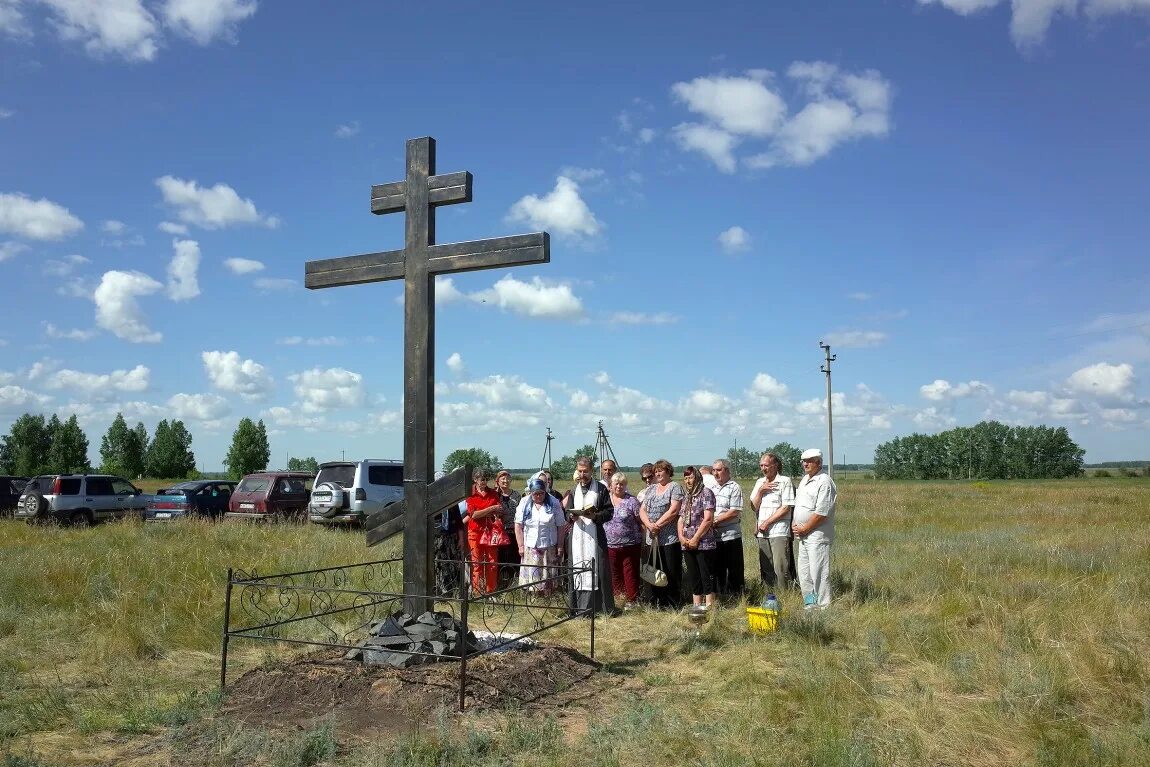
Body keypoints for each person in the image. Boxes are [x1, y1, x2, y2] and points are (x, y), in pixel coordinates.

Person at [563, 456, 615, 616]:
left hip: (595, 536)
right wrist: (571, 516)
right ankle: (577, 607)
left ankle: (599, 608)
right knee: (577, 568)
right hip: (577, 536)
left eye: (585, 471)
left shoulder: (600, 489)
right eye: (580, 471)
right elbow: (567, 512)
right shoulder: (573, 490)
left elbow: (609, 512)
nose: (582, 474)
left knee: (597, 568)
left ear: (592, 471)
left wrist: (595, 516)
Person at [792, 448, 837, 609]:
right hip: (803, 536)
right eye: (803, 461)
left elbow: (822, 513)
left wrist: (805, 528)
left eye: (809, 461)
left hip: (817, 535)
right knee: (804, 573)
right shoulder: (804, 480)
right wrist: (795, 524)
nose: (805, 464)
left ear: (818, 462)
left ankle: (824, 607)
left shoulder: (824, 481)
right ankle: (810, 605)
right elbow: (799, 506)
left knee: (819, 572)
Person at [638, 458, 684, 609]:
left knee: (670, 570)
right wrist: (649, 525)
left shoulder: (675, 487)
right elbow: (642, 510)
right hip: (652, 538)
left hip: (669, 538)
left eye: (660, 470)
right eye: (655, 471)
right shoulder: (651, 489)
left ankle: (672, 603)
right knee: (652, 569)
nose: (657, 473)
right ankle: (654, 601)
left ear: (668, 471)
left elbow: (674, 510)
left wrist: (658, 525)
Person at [750, 452, 796, 593]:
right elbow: (754, 506)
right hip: (762, 533)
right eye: (761, 465)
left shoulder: (784, 481)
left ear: (775, 466)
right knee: (766, 566)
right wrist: (760, 491)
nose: (763, 468)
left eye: (766, 465)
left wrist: (767, 522)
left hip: (779, 530)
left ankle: (785, 596)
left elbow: (786, 507)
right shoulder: (759, 482)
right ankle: (770, 596)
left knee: (780, 567)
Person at [515, 477, 564, 594]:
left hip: (549, 546)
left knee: (548, 576)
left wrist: (560, 546)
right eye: (535, 494)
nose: (538, 496)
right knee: (533, 575)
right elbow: (518, 525)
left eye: (541, 494)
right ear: (531, 493)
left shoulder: (554, 502)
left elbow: (561, 525)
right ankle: (533, 596)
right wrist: (520, 546)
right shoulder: (524, 502)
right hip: (531, 546)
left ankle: (548, 597)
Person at [678, 466, 717, 610]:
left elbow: (708, 519)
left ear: (698, 478)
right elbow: (681, 519)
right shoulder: (687, 496)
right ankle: (696, 606)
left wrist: (695, 538)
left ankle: (709, 607)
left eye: (691, 477)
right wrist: (681, 537)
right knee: (694, 576)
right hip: (687, 543)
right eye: (686, 478)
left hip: (703, 542)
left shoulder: (706, 493)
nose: (688, 481)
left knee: (706, 575)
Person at [709, 458, 746, 599]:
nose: (715, 473)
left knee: (734, 568)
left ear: (727, 470)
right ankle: (721, 595)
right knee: (718, 568)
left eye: (719, 470)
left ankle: (736, 596)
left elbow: (734, 511)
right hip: (715, 535)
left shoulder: (734, 487)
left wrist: (715, 520)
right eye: (713, 470)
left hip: (731, 535)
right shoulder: (712, 488)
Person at [605, 471, 642, 607]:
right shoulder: (606, 500)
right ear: (610, 486)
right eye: (616, 484)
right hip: (610, 544)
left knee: (630, 573)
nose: (619, 487)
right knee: (614, 573)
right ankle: (618, 599)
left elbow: (640, 521)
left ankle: (632, 600)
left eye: (622, 484)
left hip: (630, 545)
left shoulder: (631, 501)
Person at [464, 469, 501, 594]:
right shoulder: (470, 494)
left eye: (486, 479)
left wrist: (486, 512)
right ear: (475, 480)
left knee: (492, 562)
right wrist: (491, 508)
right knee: (476, 563)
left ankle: (491, 591)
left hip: (490, 531)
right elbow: (473, 515)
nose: (484, 482)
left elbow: (499, 510)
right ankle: (477, 591)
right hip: (475, 532)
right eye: (481, 479)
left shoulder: (493, 493)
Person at [433, 471, 465, 596]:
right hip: (436, 537)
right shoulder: (431, 500)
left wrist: (461, 539)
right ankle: (438, 591)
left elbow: (459, 521)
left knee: (451, 564)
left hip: (451, 537)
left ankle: (451, 590)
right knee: (437, 563)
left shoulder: (452, 499)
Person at [495, 469, 522, 588]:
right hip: (501, 531)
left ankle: (514, 584)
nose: (506, 481)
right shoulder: (495, 495)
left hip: (514, 531)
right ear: (498, 481)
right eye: (503, 479)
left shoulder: (516, 495)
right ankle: (502, 584)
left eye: (507, 478)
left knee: (514, 557)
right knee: (501, 559)